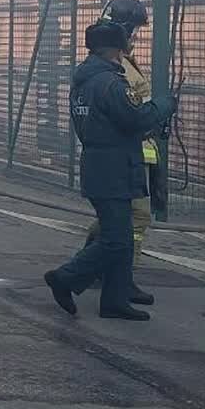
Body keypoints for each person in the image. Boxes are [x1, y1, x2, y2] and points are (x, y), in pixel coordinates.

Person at [43, 20, 175, 321]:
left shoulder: (85, 81)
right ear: (117, 48)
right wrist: (163, 106)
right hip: (113, 169)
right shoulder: (110, 84)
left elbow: (111, 123)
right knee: (116, 239)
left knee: (121, 236)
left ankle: (115, 299)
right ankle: (65, 277)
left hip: (101, 164)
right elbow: (135, 119)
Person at [78, 0, 161, 298]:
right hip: (126, 151)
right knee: (133, 220)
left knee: (114, 221)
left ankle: (98, 271)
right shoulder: (114, 65)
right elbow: (127, 109)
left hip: (133, 150)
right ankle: (109, 275)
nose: (136, 36)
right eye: (134, 30)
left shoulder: (118, 59)